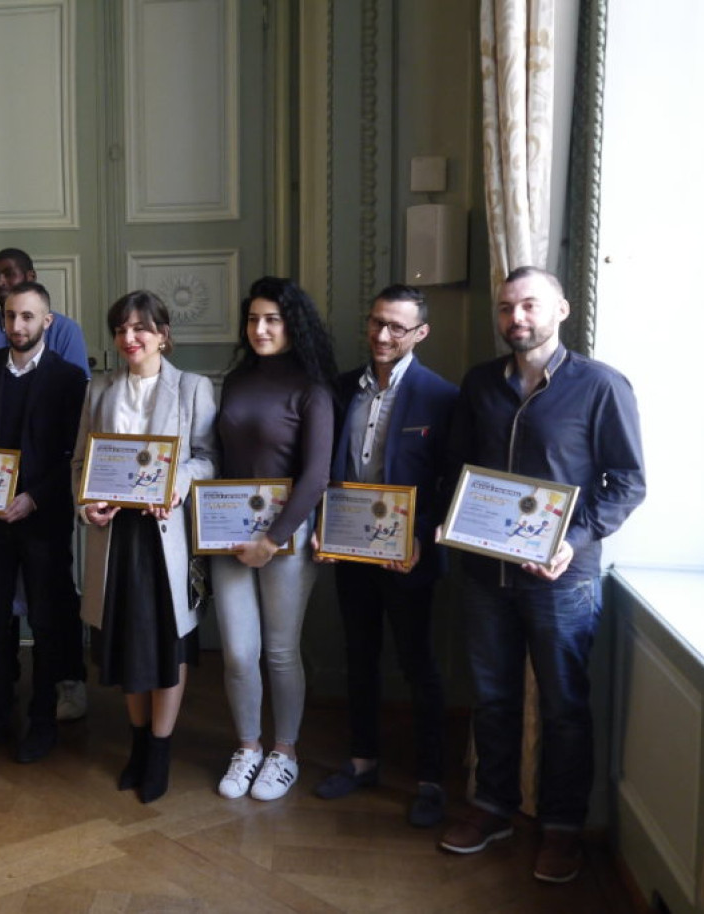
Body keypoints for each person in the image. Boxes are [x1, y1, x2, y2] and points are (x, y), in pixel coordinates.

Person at [438, 266, 644, 883]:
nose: (515, 318)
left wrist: (573, 539)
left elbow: (627, 483)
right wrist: (453, 521)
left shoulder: (602, 387)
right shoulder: (478, 384)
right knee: (493, 697)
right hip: (483, 574)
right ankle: (493, 806)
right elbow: (458, 467)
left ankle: (560, 827)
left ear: (561, 310)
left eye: (529, 305)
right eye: (506, 308)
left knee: (563, 707)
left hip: (563, 579)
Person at [312, 284, 458, 827]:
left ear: (419, 333)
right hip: (350, 550)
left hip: (410, 556)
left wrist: (422, 534)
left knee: (418, 664)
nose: (382, 335)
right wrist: (323, 525)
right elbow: (328, 468)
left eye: (397, 327)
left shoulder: (441, 397)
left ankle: (429, 779)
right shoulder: (340, 388)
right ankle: (362, 760)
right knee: (359, 656)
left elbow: (451, 481)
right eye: (376, 322)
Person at [73, 290, 216, 803]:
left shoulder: (193, 388)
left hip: (166, 537)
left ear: (163, 334)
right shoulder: (99, 390)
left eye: (140, 329)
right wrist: (86, 505)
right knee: (126, 642)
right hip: (114, 536)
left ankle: (159, 749)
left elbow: (207, 458)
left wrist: (177, 485)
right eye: (120, 330)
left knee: (167, 642)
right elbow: (79, 466)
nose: (129, 339)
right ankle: (137, 744)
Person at [211, 277, 336, 803]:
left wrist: (274, 538)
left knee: (281, 652)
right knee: (239, 653)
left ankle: (283, 751)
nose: (260, 329)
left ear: (292, 325)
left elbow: (316, 476)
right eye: (253, 319)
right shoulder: (235, 381)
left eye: (272, 320)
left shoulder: (313, 388)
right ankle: (248, 747)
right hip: (229, 535)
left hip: (286, 535)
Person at [0, 281, 87, 763]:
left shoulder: (70, 379)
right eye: (10, 316)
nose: (17, 325)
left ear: (46, 322)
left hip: (44, 520)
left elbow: (74, 456)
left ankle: (44, 721)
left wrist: (33, 498)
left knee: (47, 623)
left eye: (28, 317)